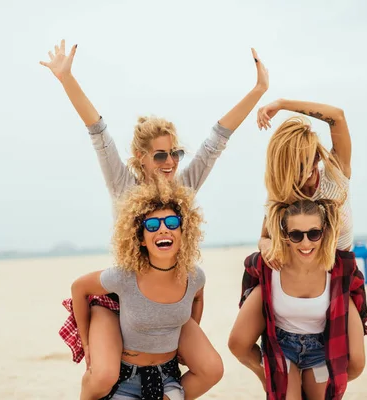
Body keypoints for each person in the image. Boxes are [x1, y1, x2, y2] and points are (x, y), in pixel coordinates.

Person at [40, 39, 269, 399]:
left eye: (175, 153)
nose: (170, 162)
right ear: (141, 157)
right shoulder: (123, 185)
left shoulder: (183, 188)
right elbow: (97, 131)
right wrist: (66, 78)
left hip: (167, 293)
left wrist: (258, 90)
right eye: (160, 155)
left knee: (210, 367)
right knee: (102, 376)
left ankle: (167, 385)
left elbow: (217, 140)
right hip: (123, 293)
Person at [228, 101, 367, 394]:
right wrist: (267, 244)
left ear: (317, 156)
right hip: (294, 273)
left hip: (335, 271)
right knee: (247, 347)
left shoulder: (335, 175)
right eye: (293, 169)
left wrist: (281, 104)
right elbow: (265, 236)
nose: (302, 176)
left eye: (306, 165)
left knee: (353, 362)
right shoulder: (282, 190)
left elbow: (337, 117)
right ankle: (271, 374)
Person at [71, 177, 208, 399]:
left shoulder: (194, 276)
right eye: (152, 225)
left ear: (183, 232)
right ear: (141, 239)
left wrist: (190, 331)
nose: (163, 229)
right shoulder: (123, 276)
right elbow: (79, 287)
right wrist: (86, 343)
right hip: (125, 379)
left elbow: (198, 297)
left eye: (172, 223)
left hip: (167, 375)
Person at [234, 199, 367, 399]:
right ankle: (277, 379)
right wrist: (265, 375)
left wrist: (335, 375)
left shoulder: (339, 267)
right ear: (285, 236)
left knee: (352, 367)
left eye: (314, 233)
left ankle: (306, 381)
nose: (306, 243)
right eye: (296, 235)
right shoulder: (271, 265)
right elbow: (238, 344)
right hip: (282, 349)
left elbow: (356, 365)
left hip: (320, 352)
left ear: (323, 231)